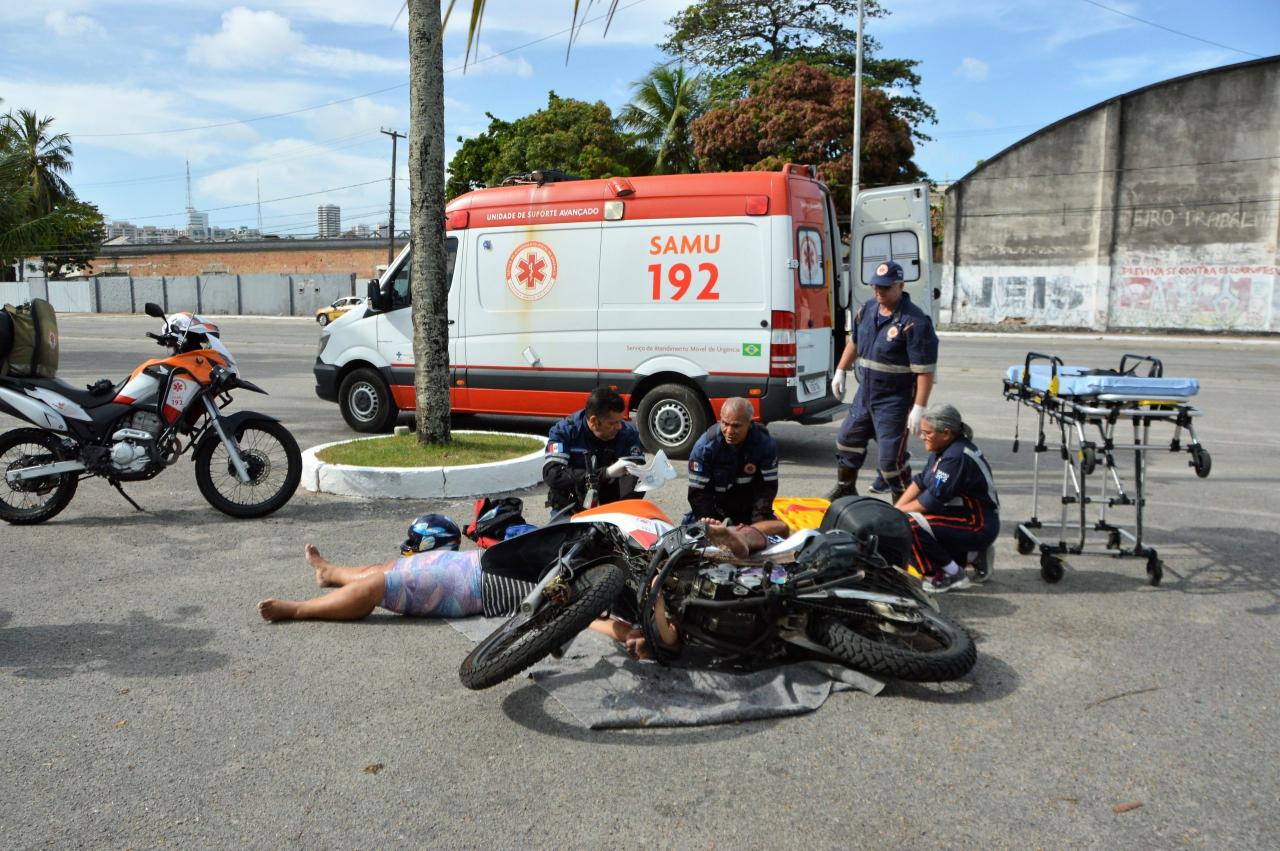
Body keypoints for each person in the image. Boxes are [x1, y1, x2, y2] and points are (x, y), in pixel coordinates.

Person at [828, 260, 938, 502]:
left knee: (890, 462)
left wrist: (919, 407)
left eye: (885, 288)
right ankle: (845, 488)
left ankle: (904, 504)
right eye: (875, 287)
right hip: (865, 395)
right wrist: (841, 370)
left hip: (894, 401)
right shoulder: (867, 310)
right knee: (847, 440)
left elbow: (925, 371)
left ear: (900, 285)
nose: (879, 292)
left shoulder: (915, 322)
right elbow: (855, 343)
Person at [894, 403, 1000, 593]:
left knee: (910, 524)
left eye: (928, 433)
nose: (922, 436)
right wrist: (896, 509)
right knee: (904, 518)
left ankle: (953, 574)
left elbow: (930, 501)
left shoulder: (956, 457)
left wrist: (896, 515)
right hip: (963, 517)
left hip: (978, 524)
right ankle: (973, 555)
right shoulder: (944, 449)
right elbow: (921, 482)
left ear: (946, 432)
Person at [684, 397, 789, 550]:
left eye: (736, 426)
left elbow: (766, 490)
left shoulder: (765, 445)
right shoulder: (704, 448)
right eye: (725, 424)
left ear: (750, 424)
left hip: (750, 512)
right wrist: (714, 526)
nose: (729, 431)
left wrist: (754, 528)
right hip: (713, 512)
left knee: (780, 532)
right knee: (688, 544)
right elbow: (698, 494)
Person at [543, 386, 645, 513]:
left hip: (613, 508)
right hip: (571, 507)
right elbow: (553, 475)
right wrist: (605, 473)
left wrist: (624, 513)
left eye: (621, 421)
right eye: (612, 423)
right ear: (594, 421)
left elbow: (635, 475)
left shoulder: (628, 433)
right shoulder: (565, 431)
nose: (619, 427)